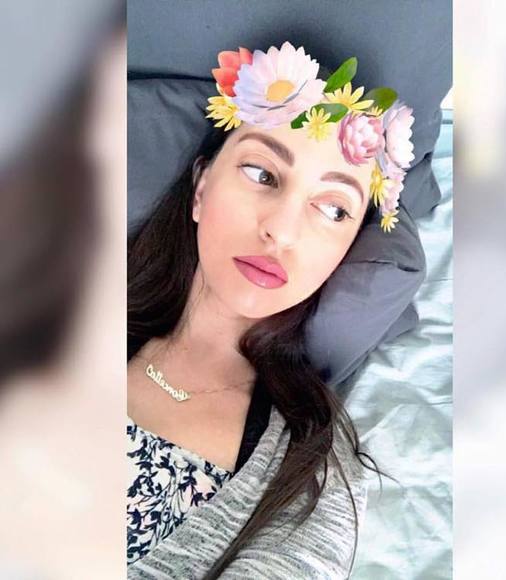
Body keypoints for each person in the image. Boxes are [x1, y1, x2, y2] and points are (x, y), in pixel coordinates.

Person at [127, 41, 414, 579]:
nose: (281, 231)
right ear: (201, 187)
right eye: (262, 174)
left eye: (334, 209)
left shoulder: (313, 476)